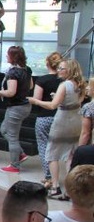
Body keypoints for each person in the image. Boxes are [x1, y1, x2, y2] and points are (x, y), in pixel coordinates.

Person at [28, 58, 85, 199]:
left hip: (62, 120)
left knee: (52, 153)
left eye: (62, 68)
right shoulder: (80, 84)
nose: (58, 71)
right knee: (71, 155)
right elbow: (76, 101)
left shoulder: (64, 85)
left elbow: (52, 106)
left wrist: (35, 101)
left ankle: (55, 187)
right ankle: (72, 189)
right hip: (76, 120)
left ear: (70, 70)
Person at [0, 46, 33, 173]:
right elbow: (31, 85)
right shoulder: (27, 70)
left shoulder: (13, 73)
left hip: (16, 107)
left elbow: (11, 92)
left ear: (13, 57)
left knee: (12, 136)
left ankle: (15, 165)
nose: (6, 56)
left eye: (8, 54)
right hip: (25, 106)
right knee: (3, 130)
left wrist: (1, 92)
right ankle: (20, 153)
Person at [34, 52, 64, 186]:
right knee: (57, 147)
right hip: (60, 117)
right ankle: (57, 176)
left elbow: (36, 99)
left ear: (47, 64)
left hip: (44, 116)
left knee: (43, 145)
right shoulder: (65, 81)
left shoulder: (42, 80)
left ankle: (49, 176)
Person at [78, 77, 94, 146]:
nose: (87, 88)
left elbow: (85, 134)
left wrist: (78, 152)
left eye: (89, 86)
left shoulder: (88, 107)